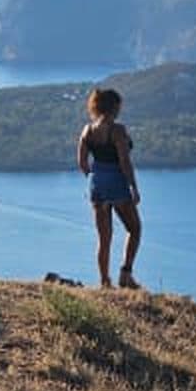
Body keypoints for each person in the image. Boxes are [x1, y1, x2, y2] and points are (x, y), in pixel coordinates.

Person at [77, 88, 142, 289]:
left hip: (97, 184)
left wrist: (95, 176)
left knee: (104, 238)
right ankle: (126, 274)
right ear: (114, 107)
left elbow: (82, 162)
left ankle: (105, 281)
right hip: (116, 183)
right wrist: (133, 187)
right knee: (134, 228)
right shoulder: (117, 130)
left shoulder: (87, 130)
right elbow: (124, 161)